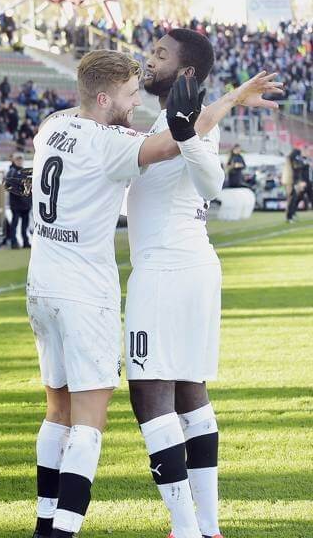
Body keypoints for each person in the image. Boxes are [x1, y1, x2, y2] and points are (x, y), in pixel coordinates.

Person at [23, 49, 267, 538]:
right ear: (103, 98)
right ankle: (61, 533)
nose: (135, 102)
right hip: (84, 293)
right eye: (129, 95)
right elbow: (178, 139)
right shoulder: (113, 143)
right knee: (89, 422)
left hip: (40, 287)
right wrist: (231, 100)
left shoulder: (52, 128)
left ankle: (44, 524)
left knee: (57, 412)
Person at [127, 29, 284, 538]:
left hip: (166, 270)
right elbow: (200, 121)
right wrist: (233, 97)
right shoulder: (180, 115)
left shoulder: (186, 121)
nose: (149, 61)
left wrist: (189, 134)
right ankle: (207, 526)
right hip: (190, 266)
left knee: (150, 392)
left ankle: (185, 528)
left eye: (160, 55)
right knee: (189, 390)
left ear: (186, 72)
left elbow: (212, 182)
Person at [7, 152, 32, 248]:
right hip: (16, 204)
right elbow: (10, 187)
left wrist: (28, 200)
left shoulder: (23, 172)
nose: (20, 161)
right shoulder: (12, 172)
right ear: (14, 160)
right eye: (18, 159)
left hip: (25, 204)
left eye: (21, 159)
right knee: (15, 224)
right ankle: (14, 242)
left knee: (25, 225)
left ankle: (25, 241)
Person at [285, 147, 310, 222]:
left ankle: (291, 215)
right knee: (293, 198)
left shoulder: (294, 159)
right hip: (294, 181)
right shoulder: (295, 159)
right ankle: (290, 216)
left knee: (294, 198)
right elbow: (297, 168)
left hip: (295, 181)